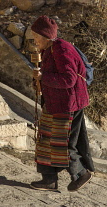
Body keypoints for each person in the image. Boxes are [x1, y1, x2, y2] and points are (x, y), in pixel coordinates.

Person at [30, 15, 95, 192]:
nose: (34, 41)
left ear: (45, 36)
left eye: (36, 37)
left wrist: (44, 77)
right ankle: (49, 180)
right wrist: (39, 80)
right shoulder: (48, 49)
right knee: (45, 141)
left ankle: (81, 173)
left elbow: (69, 79)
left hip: (68, 105)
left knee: (61, 143)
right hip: (54, 103)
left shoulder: (61, 50)